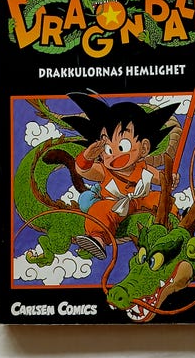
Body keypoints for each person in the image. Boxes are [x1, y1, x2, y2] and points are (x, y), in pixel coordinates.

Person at [63, 92, 179, 259]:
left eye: (123, 146)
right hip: (114, 204)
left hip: (142, 200)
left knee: (161, 198)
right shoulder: (104, 170)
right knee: (99, 209)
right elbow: (83, 170)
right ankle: (97, 239)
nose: (115, 155)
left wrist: (169, 180)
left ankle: (175, 222)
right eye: (108, 150)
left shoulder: (143, 167)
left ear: (144, 148)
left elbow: (160, 178)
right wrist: (87, 157)